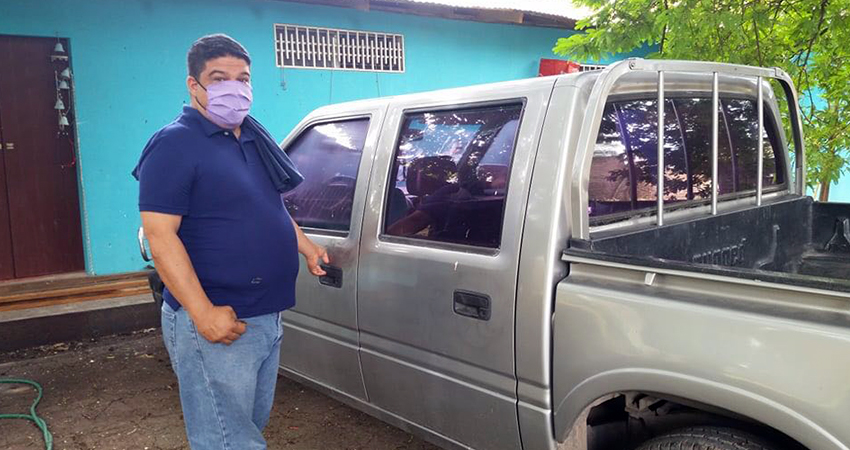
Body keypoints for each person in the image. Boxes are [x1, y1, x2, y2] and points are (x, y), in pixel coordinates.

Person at [133, 34, 328, 450]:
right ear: (194, 85)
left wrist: (306, 247)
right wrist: (202, 313)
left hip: (266, 313)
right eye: (219, 78)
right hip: (220, 319)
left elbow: (269, 208)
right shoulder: (174, 144)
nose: (234, 89)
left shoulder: (253, 138)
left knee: (244, 431)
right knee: (226, 440)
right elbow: (160, 236)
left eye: (243, 79)